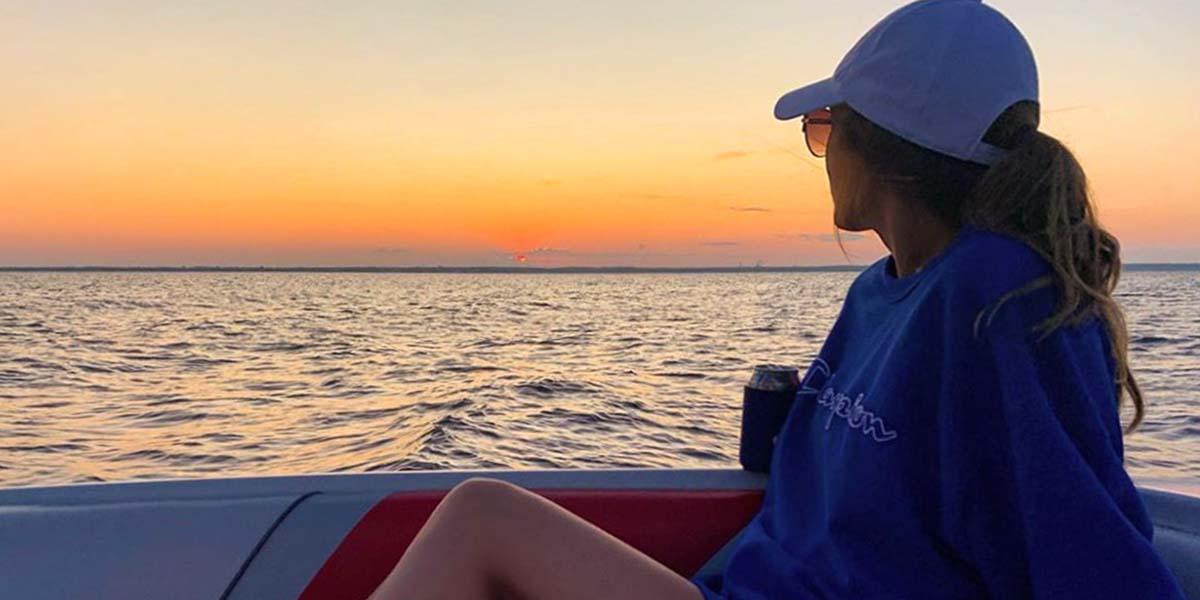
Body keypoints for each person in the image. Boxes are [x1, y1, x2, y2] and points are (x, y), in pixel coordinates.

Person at [368, 1, 1187, 598]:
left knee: (482, 518)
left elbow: (1089, 554)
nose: (821, 154)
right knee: (481, 518)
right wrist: (799, 420)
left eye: (826, 130)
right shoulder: (880, 294)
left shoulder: (997, 298)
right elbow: (892, 470)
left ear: (885, 150)